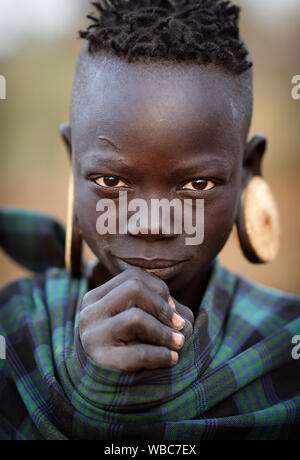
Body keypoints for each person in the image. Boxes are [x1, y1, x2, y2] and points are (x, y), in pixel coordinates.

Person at [0, 0, 299, 441]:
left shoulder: (285, 348)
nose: (152, 223)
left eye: (196, 186)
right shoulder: (13, 328)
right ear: (71, 162)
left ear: (248, 168)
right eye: (110, 180)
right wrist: (91, 378)